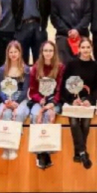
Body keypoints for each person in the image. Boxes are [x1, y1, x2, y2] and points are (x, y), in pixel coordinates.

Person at [61, 38, 97, 169]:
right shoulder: (71, 65)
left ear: (91, 48)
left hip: (88, 101)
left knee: (86, 123)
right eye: (83, 47)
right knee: (73, 122)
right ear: (78, 49)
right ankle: (82, 152)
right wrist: (72, 100)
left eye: (88, 47)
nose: (85, 50)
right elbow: (64, 85)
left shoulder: (96, 66)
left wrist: (90, 100)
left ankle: (79, 153)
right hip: (73, 100)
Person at [28, 40, 64, 170]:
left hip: (55, 102)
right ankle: (40, 153)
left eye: (50, 50)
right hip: (40, 101)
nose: (48, 53)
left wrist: (52, 103)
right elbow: (32, 91)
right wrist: (40, 100)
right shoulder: (35, 68)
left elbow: (60, 90)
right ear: (41, 52)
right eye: (45, 50)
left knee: (49, 116)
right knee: (35, 115)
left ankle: (47, 153)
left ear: (54, 52)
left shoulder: (60, 67)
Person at [0, 41, 30, 161]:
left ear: (20, 53)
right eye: (11, 52)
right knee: (4, 113)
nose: (13, 54)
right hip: (7, 99)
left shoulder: (26, 69)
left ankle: (13, 146)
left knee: (19, 113)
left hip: (21, 99)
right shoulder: (2, 70)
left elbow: (25, 90)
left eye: (16, 51)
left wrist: (17, 103)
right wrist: (6, 101)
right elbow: (0, 89)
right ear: (8, 53)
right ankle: (6, 147)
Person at [51, 0, 91, 65]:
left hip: (81, 35)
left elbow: (88, 14)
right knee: (64, 66)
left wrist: (77, 29)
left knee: (82, 64)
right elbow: (54, 17)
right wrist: (67, 31)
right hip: (63, 36)